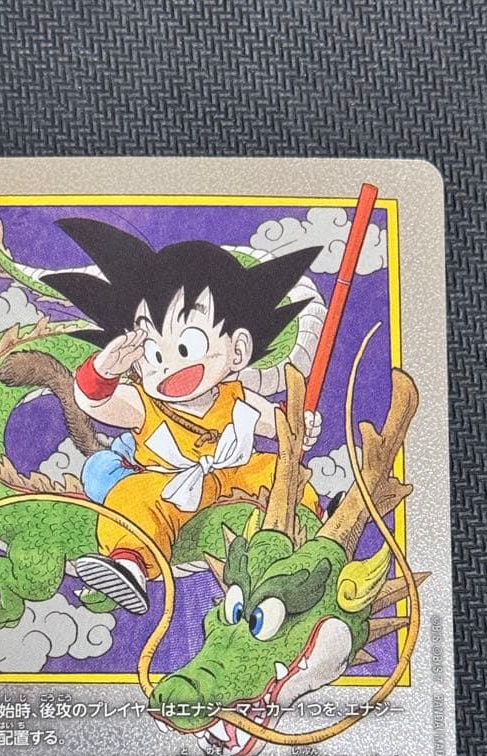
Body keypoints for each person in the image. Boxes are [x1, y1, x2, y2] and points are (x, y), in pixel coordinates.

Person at [42, 219, 323, 614]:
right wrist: (103, 370)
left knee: (281, 473)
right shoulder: (144, 403)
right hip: (169, 485)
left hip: (236, 475)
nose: (168, 366)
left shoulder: (237, 396)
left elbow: (279, 426)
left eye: (187, 347)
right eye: (154, 354)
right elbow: (93, 403)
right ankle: (129, 564)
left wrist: (300, 428)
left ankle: (316, 528)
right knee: (133, 497)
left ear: (238, 351)